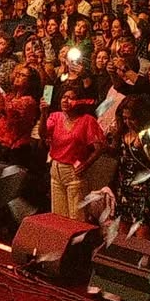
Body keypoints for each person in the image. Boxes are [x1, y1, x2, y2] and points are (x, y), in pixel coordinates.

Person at [40, 77, 107, 219]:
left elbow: (100, 147)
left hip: (73, 171)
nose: (66, 100)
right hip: (56, 169)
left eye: (71, 98)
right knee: (58, 215)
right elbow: (43, 134)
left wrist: (87, 164)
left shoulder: (87, 120)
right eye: (64, 97)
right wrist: (43, 114)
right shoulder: (55, 116)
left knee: (76, 217)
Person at [112, 95, 150, 237]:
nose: (128, 122)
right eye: (125, 118)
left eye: (131, 119)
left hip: (143, 191)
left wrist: (144, 146)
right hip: (124, 188)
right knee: (122, 234)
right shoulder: (124, 132)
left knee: (142, 235)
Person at [0, 63, 42, 166]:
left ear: (31, 82)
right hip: (1, 146)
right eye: (18, 74)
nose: (18, 76)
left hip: (16, 150)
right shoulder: (10, 96)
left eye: (22, 75)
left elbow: (1, 107)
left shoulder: (29, 101)